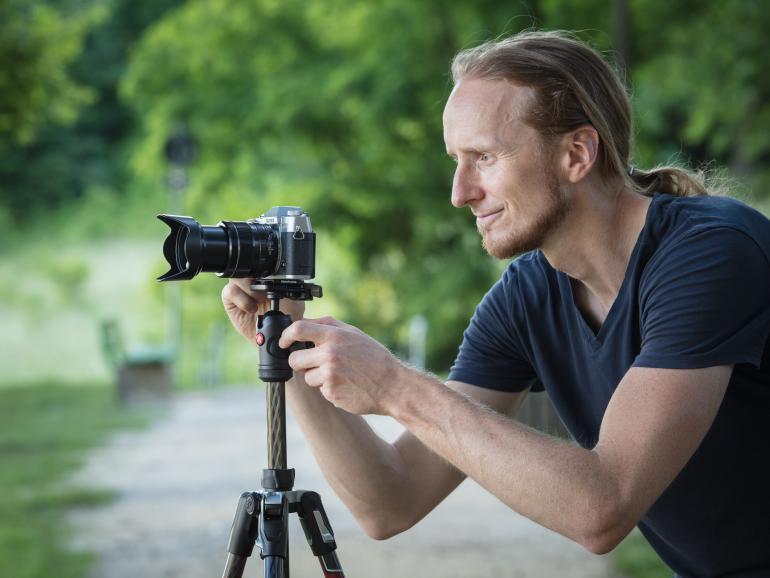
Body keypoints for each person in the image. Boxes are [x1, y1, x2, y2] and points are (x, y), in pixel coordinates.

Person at [222, 31, 770, 578]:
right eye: (456, 160)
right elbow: (391, 500)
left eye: (483, 157)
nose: (460, 192)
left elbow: (602, 507)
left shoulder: (709, 252)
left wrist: (394, 386)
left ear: (576, 153)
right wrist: (286, 345)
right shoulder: (530, 294)